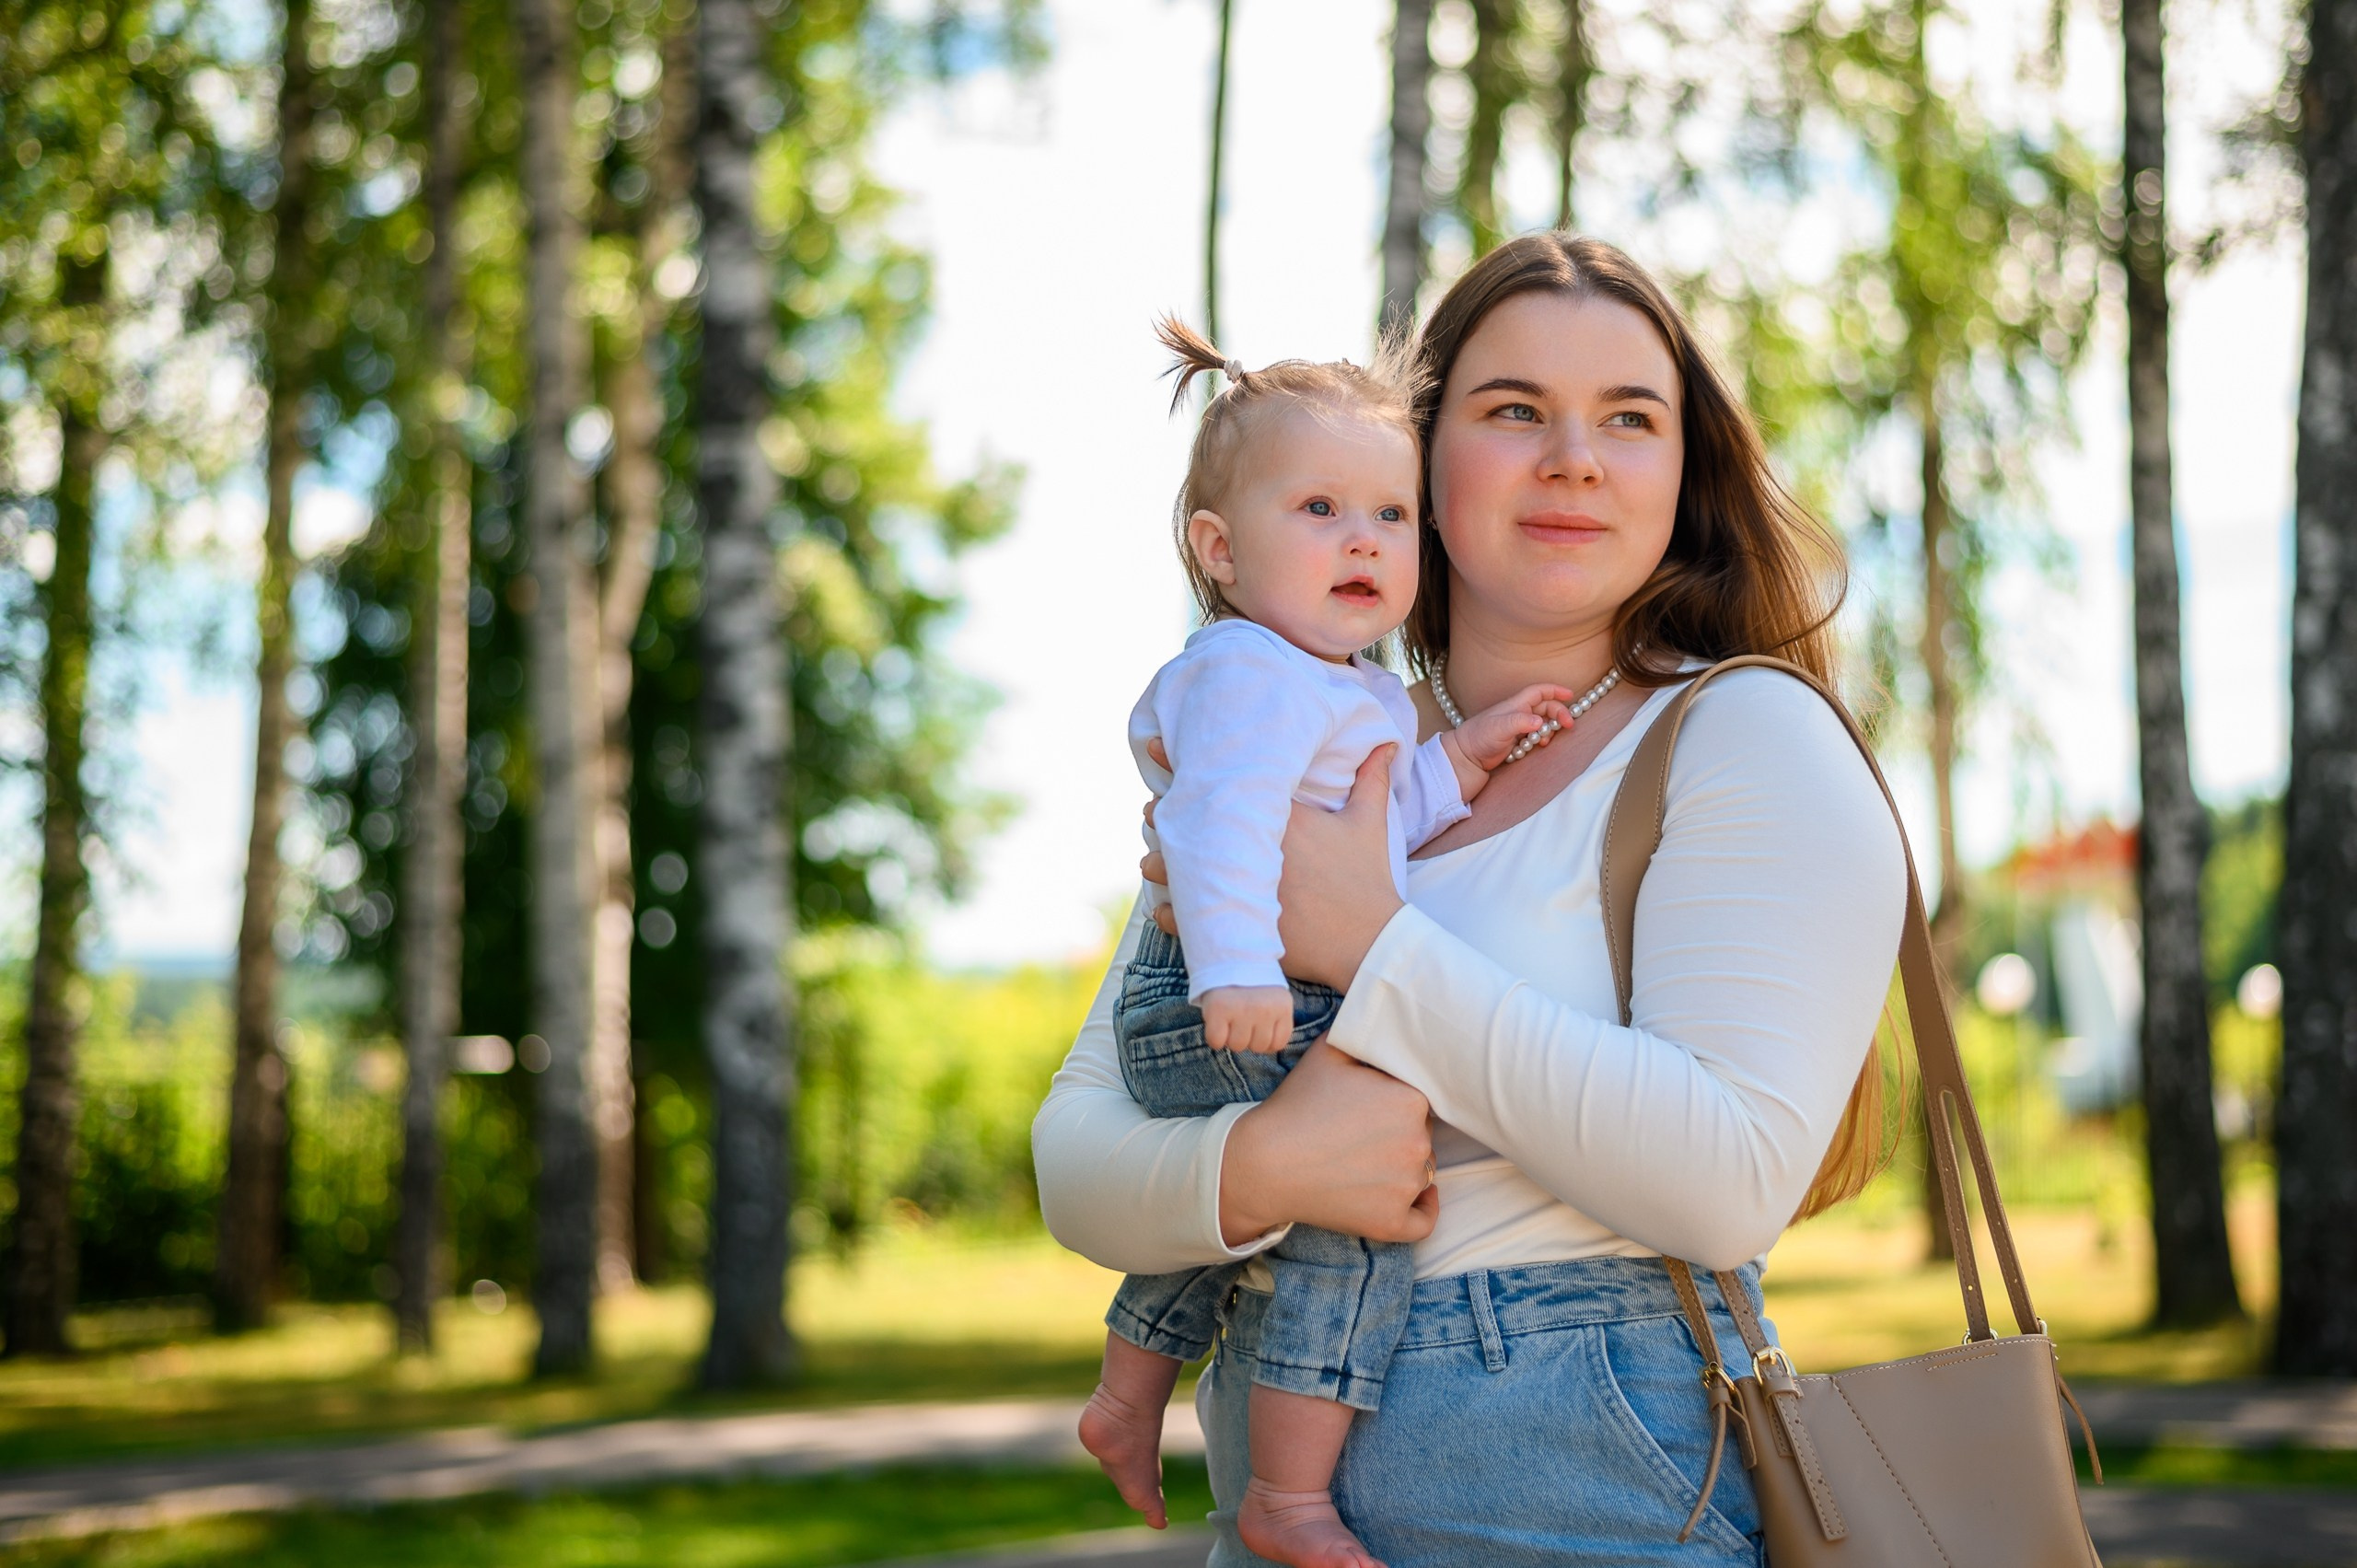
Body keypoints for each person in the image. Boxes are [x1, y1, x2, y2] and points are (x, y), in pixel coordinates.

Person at [1033, 233, 1910, 1567]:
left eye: (1630, 418)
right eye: (1513, 411)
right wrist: (1266, 1169)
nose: (1574, 458)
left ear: (1683, 475)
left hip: (1585, 1489)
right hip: (1272, 1492)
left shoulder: (1743, 736)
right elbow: (1076, 1156)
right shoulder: (1311, 729)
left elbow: (1729, 1180)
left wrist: (1371, 948)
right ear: (1421, 464)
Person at [1085, 317, 1579, 1568]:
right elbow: (1217, 822)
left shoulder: (1342, 687)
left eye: (1390, 515)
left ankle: (1128, 1392)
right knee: (1363, 1199)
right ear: (1221, 551)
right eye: (1319, 509)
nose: (1363, 539)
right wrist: (1237, 972)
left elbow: (1373, 822)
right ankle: (1288, 1495)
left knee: (1284, 1193)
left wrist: (1463, 757)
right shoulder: (1249, 671)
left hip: (1247, 990)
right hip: (1220, 994)